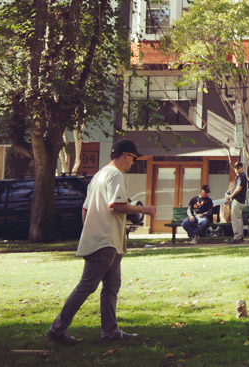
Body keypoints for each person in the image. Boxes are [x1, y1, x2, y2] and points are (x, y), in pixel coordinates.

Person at [46, 139, 156, 344]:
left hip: (107, 240)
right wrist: (143, 209)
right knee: (87, 286)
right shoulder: (115, 174)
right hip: (105, 241)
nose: (133, 162)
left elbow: (85, 209)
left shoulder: (99, 175)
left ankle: (110, 331)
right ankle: (57, 329)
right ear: (125, 155)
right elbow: (116, 204)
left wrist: (89, 231)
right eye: (133, 158)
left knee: (112, 286)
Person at [225, 162, 249, 243]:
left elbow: (239, 188)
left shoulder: (241, 177)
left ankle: (237, 237)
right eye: (235, 168)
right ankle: (240, 236)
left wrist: (231, 195)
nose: (236, 169)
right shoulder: (239, 177)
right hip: (239, 200)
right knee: (238, 219)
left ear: (241, 168)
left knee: (236, 219)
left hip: (237, 200)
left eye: (237, 168)